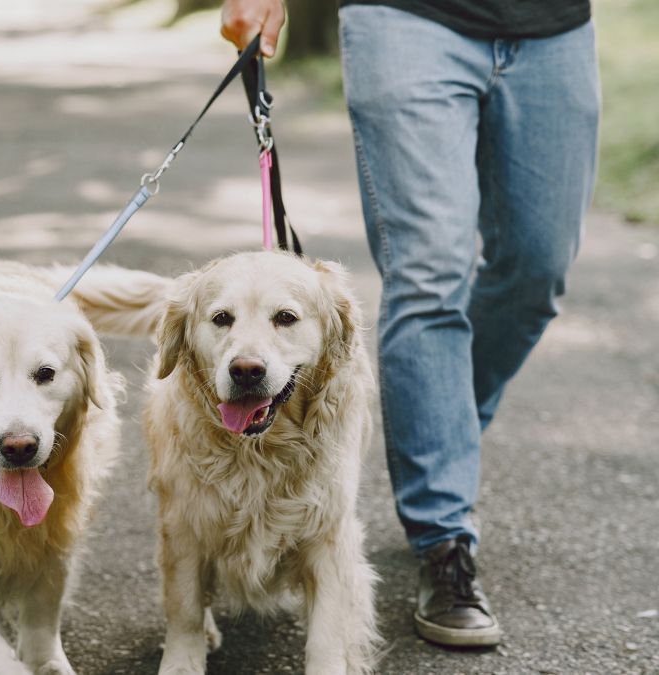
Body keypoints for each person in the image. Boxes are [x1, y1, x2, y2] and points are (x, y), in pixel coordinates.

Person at [220, 0, 599, 647]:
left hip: (552, 24)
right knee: (429, 271)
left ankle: (437, 416)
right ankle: (443, 538)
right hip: (406, 18)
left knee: (537, 267)